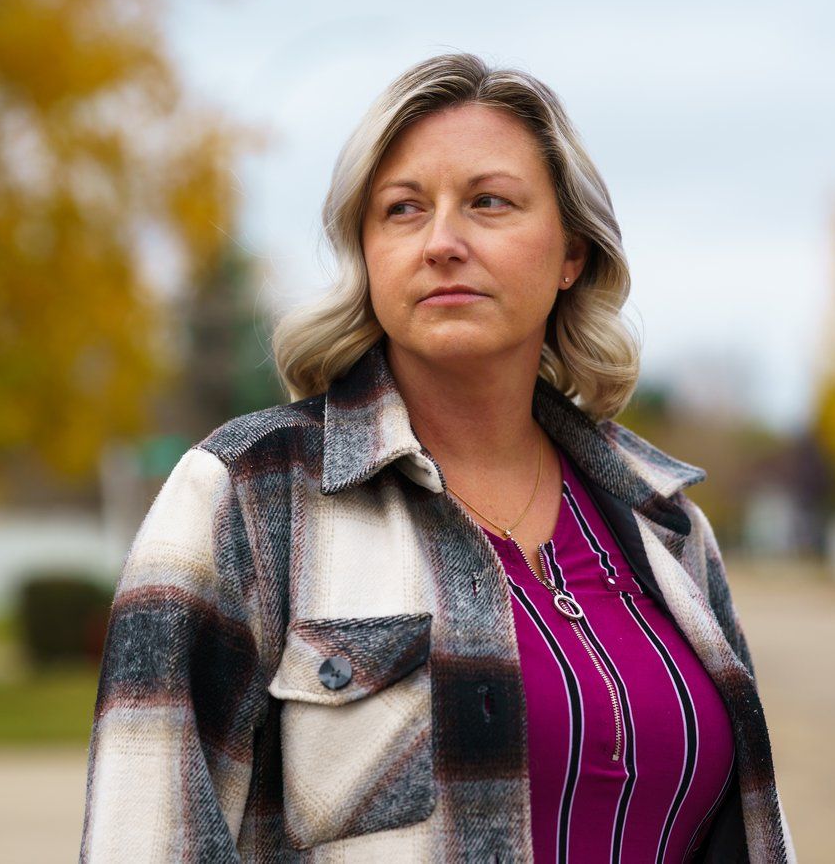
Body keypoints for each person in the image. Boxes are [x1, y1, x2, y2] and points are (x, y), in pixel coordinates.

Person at [79, 52, 796, 863]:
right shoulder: (244, 499)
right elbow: (140, 840)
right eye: (403, 210)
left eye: (489, 202)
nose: (442, 242)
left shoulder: (666, 526)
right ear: (367, 255)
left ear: (572, 254)